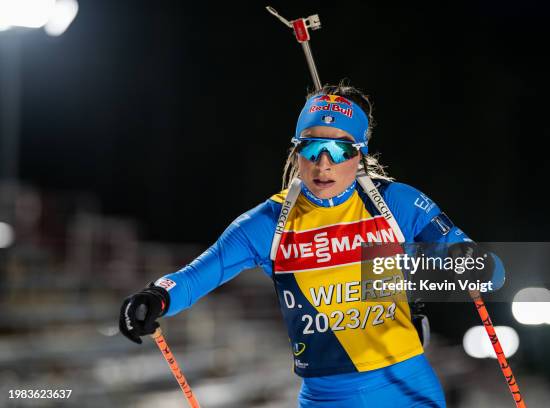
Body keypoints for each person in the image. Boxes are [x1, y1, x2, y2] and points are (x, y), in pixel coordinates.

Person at [119, 83, 504, 407]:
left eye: (339, 151)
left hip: (405, 389)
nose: (323, 164)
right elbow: (195, 276)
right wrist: (157, 297)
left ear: (360, 154)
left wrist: (454, 262)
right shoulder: (267, 223)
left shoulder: (396, 203)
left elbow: (489, 271)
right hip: (325, 398)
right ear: (295, 151)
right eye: (310, 148)